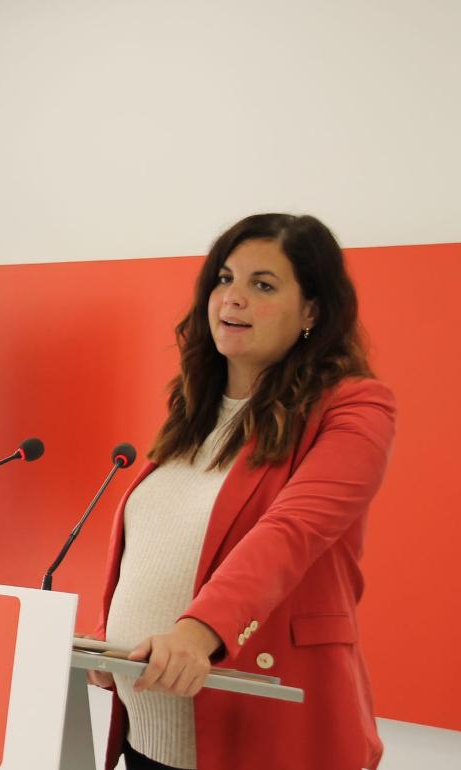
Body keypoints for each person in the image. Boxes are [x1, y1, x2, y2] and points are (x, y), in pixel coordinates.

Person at [92, 213, 396, 770]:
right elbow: (156, 549)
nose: (232, 299)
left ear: (312, 311)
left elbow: (289, 533)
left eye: (263, 285)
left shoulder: (356, 408)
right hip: (149, 739)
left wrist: (194, 633)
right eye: (225, 279)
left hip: (271, 739)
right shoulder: (194, 413)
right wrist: (105, 640)